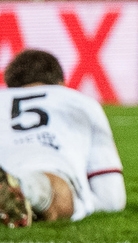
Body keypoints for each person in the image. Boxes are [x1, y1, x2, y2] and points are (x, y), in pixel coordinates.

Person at [0, 49, 125, 227]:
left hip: (4, 164)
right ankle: (26, 189)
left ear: (9, 86)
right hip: (51, 170)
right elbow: (112, 200)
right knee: (58, 189)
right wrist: (83, 204)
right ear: (61, 83)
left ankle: (13, 186)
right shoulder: (81, 102)